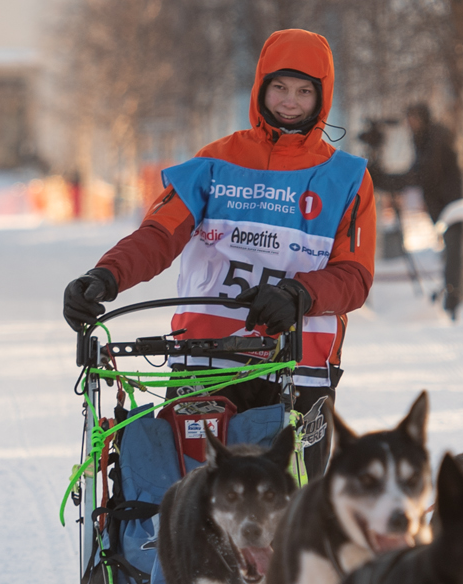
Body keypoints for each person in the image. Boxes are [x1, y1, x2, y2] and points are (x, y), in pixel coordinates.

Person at [62, 29, 376, 474]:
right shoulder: (214, 163)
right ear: (261, 88)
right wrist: (106, 276)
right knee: (195, 505)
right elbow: (158, 235)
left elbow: (355, 276)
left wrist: (299, 295)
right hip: (207, 357)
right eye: (280, 87)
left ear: (321, 98)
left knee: (290, 516)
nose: (290, 101)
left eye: (304, 91)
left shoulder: (347, 179)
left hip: (299, 364)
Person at [373, 103, 463, 318]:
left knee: (453, 253)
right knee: (450, 252)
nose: (410, 124)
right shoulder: (423, 137)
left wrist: (388, 180)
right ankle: (451, 300)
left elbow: (424, 173)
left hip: (450, 205)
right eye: (409, 119)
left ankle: (453, 303)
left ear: (423, 118)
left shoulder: (436, 138)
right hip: (441, 205)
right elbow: (419, 172)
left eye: (413, 119)